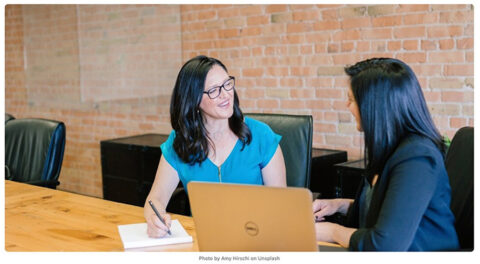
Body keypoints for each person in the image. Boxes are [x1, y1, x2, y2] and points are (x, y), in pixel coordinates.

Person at [312, 58, 459, 251]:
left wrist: (332, 232)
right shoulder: (392, 148)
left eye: (352, 99)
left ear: (375, 106)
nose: (347, 106)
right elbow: (387, 209)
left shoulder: (417, 158)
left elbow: (385, 245)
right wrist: (340, 205)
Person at [144, 55, 286, 237]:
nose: (226, 94)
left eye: (227, 84)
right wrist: (155, 220)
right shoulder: (179, 143)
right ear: (194, 100)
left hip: (255, 238)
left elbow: (281, 207)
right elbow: (156, 198)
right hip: (202, 240)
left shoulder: (261, 136)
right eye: (214, 90)